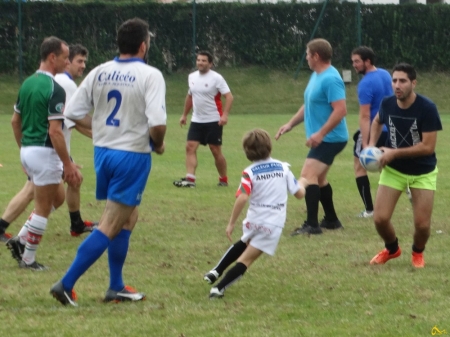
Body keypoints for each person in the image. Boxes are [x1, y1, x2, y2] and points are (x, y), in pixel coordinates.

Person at [50, 17, 167, 306]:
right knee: (111, 223)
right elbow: (158, 123)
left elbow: (73, 113)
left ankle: (116, 286)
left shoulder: (99, 71)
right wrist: (159, 143)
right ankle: (65, 283)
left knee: (128, 217)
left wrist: (102, 127)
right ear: (143, 45)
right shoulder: (151, 75)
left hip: (104, 154)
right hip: (132, 156)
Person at [1, 44, 95, 247]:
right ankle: (24, 248)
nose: (77, 64)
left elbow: (15, 121)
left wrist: (24, 149)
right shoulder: (59, 86)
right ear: (54, 58)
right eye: (71, 59)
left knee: (60, 194)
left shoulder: (30, 82)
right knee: (40, 201)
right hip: (48, 151)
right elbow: (64, 125)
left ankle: (73, 223)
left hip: (35, 150)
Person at [204, 129, 307, 299]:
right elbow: (299, 194)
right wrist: (303, 182)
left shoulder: (249, 172)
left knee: (245, 241)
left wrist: (231, 223)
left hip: (254, 219)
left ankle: (216, 271)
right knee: (246, 259)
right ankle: (219, 289)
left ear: (247, 152)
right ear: (270, 147)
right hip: (272, 223)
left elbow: (243, 197)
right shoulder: (283, 168)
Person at [368, 63, 442, 268]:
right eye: (394, 81)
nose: (397, 85)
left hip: (423, 171)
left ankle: (417, 252)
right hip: (394, 170)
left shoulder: (427, 108)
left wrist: (394, 152)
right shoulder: (387, 103)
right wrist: (370, 147)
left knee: (422, 225)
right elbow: (376, 122)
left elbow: (428, 147)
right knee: (380, 219)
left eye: (402, 81)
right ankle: (392, 249)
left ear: (413, 83)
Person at [275, 38, 348, 236]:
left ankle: (312, 225)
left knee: (308, 176)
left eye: (307, 54)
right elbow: (309, 104)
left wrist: (321, 133)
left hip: (331, 138)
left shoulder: (331, 78)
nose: (306, 58)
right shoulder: (317, 75)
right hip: (326, 137)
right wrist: (290, 124)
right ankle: (331, 220)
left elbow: (340, 110)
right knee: (320, 178)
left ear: (316, 56)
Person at [173, 50, 233, 188]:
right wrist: (184, 115)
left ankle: (223, 179)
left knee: (215, 150)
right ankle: (190, 180)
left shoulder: (217, 78)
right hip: (196, 120)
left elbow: (229, 97)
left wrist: (225, 115)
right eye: (198, 60)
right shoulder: (192, 77)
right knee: (190, 147)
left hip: (214, 120)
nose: (200, 62)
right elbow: (190, 96)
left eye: (204, 60)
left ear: (210, 64)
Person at [351, 46, 393, 218]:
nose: (354, 65)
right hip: (390, 129)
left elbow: (365, 115)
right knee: (387, 167)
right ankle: (407, 190)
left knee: (359, 166)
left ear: (367, 61)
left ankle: (369, 210)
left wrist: (367, 143)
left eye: (357, 61)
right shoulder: (385, 74)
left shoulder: (365, 84)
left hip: (374, 129)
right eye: (353, 61)